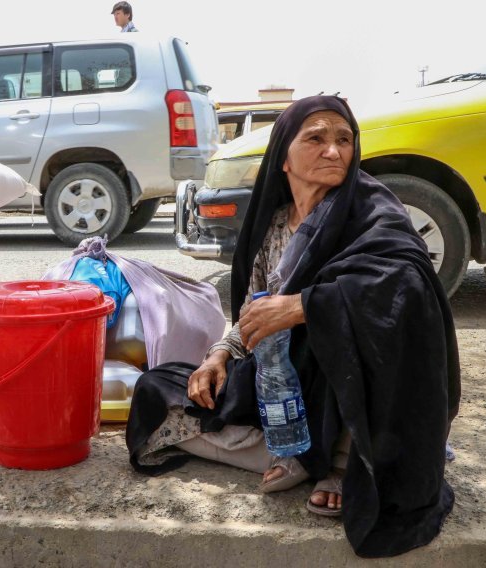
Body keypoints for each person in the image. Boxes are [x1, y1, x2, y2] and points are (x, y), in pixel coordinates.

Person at [125, 96, 460, 558]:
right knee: (158, 390)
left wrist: (304, 306)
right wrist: (219, 354)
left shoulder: (373, 210)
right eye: (316, 138)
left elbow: (407, 286)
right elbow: (254, 311)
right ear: (283, 155)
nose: (333, 151)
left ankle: (342, 459)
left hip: (349, 380)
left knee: (348, 343)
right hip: (283, 381)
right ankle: (301, 450)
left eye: (344, 139)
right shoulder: (275, 226)